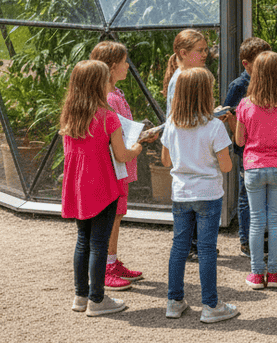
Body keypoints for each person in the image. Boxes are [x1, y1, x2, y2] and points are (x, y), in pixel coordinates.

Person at [60, 60, 144, 317]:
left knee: (83, 241)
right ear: (99, 84)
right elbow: (121, 155)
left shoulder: (70, 115)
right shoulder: (108, 117)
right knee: (99, 243)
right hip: (103, 187)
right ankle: (98, 300)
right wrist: (138, 147)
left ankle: (80, 296)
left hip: (77, 187)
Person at [160, 66, 240, 323]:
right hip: (208, 194)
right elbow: (226, 166)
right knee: (206, 249)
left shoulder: (171, 124)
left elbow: (165, 160)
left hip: (181, 194)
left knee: (179, 247)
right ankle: (210, 305)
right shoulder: (215, 126)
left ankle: (174, 301)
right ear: (206, 94)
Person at [235, 51, 277, 289]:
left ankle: (255, 273)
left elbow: (240, 141)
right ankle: (273, 274)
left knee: (255, 221)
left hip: (253, 167)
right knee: (275, 220)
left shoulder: (244, 105)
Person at [223, 36, 277, 260]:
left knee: (269, 200)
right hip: (247, 151)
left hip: (269, 153)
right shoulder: (239, 86)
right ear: (246, 64)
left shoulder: (272, 84)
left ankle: (268, 241)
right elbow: (226, 114)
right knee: (246, 198)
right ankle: (247, 241)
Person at [88, 41, 141, 290]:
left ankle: (111, 260)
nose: (127, 66)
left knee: (118, 214)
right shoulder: (109, 98)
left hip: (122, 163)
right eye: (123, 62)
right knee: (114, 217)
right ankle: (107, 266)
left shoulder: (114, 95)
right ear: (111, 66)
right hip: (116, 166)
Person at [162, 29, 211, 259]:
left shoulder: (187, 75)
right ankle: (192, 244)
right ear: (183, 52)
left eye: (205, 50)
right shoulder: (180, 79)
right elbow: (175, 118)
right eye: (200, 51)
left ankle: (194, 242)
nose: (205, 55)